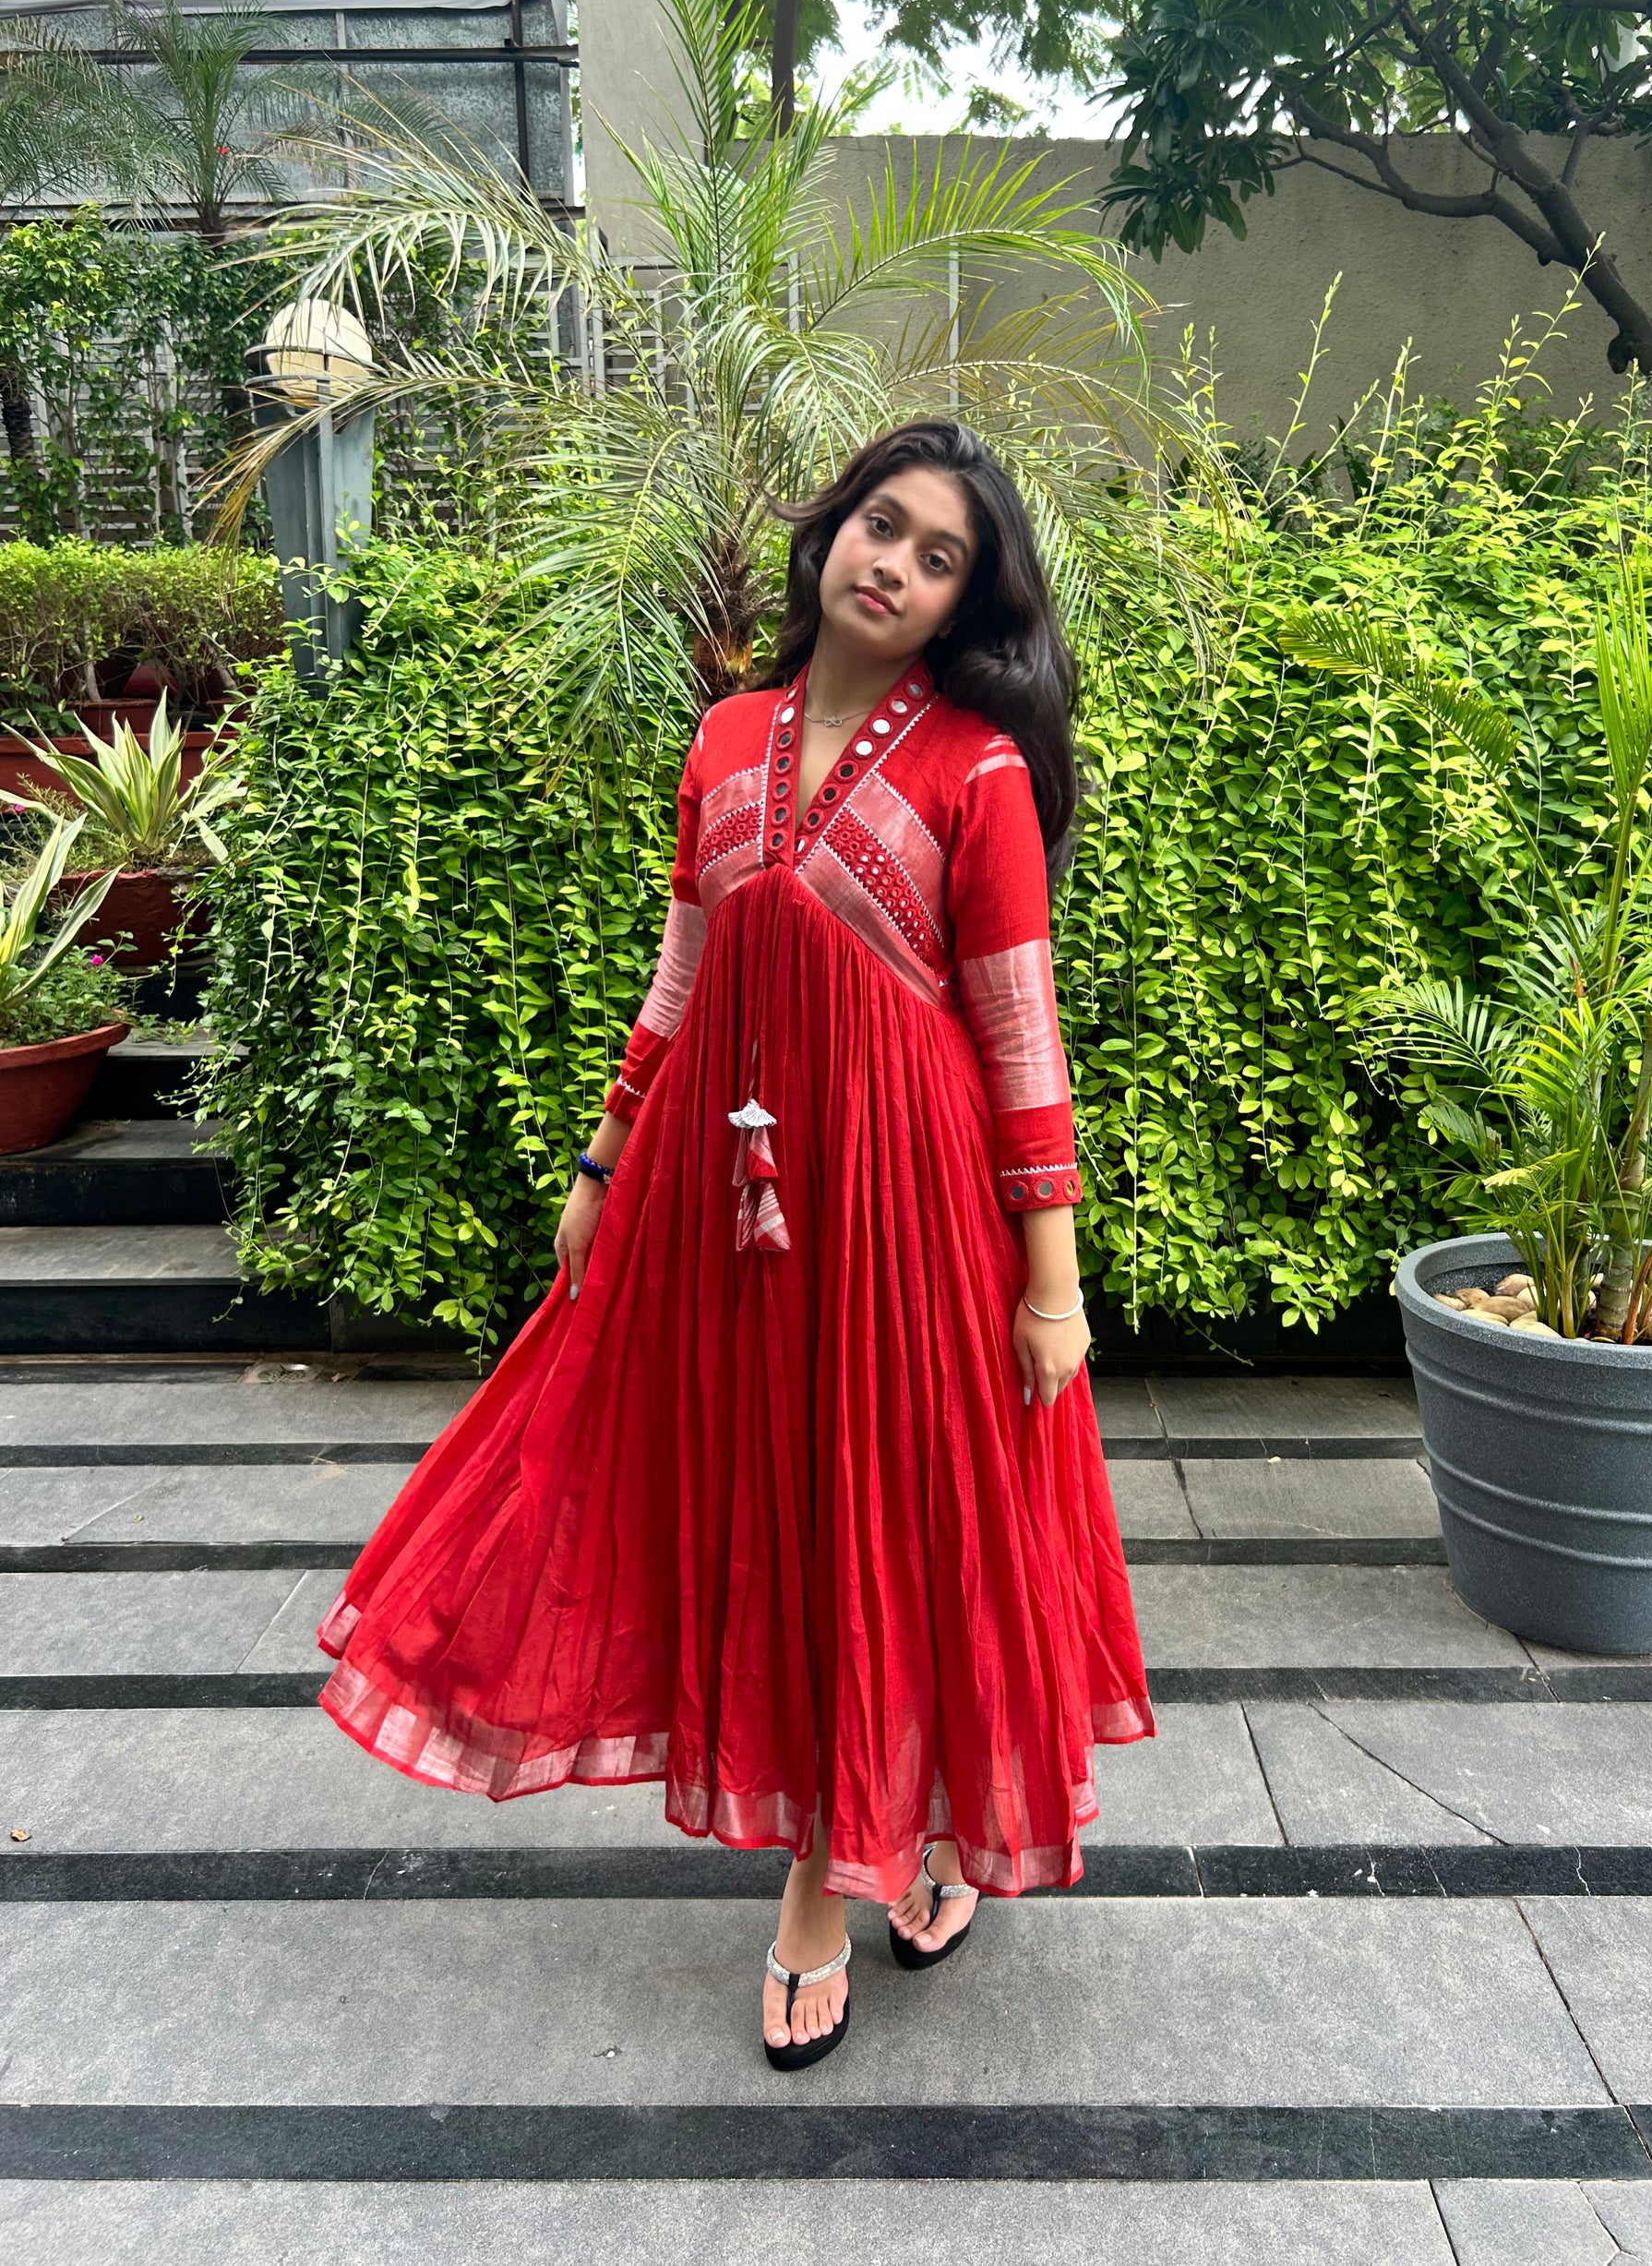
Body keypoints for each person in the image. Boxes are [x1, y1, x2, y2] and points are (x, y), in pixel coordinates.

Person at [316, 417, 1153, 2069]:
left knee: (889, 1522)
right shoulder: (724, 736)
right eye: (882, 525)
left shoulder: (974, 770)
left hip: (906, 1208)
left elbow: (1016, 1028)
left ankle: (830, 1882)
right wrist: (604, 1154)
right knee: (759, 1509)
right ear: (829, 531)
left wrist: (1049, 1283)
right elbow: (682, 972)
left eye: (937, 558)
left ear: (965, 603)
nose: (894, 566)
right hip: (723, 1196)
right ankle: (887, 1845)